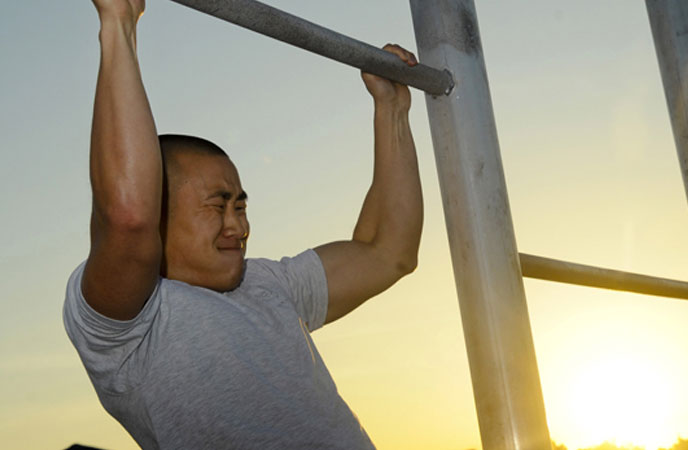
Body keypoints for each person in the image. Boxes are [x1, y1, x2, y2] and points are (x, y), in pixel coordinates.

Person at [63, 0, 423, 448]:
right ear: (159, 217)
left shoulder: (270, 283)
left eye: (240, 205)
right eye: (217, 206)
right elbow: (128, 217)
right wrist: (119, 21)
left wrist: (391, 111)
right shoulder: (127, 326)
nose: (238, 225)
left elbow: (388, 252)